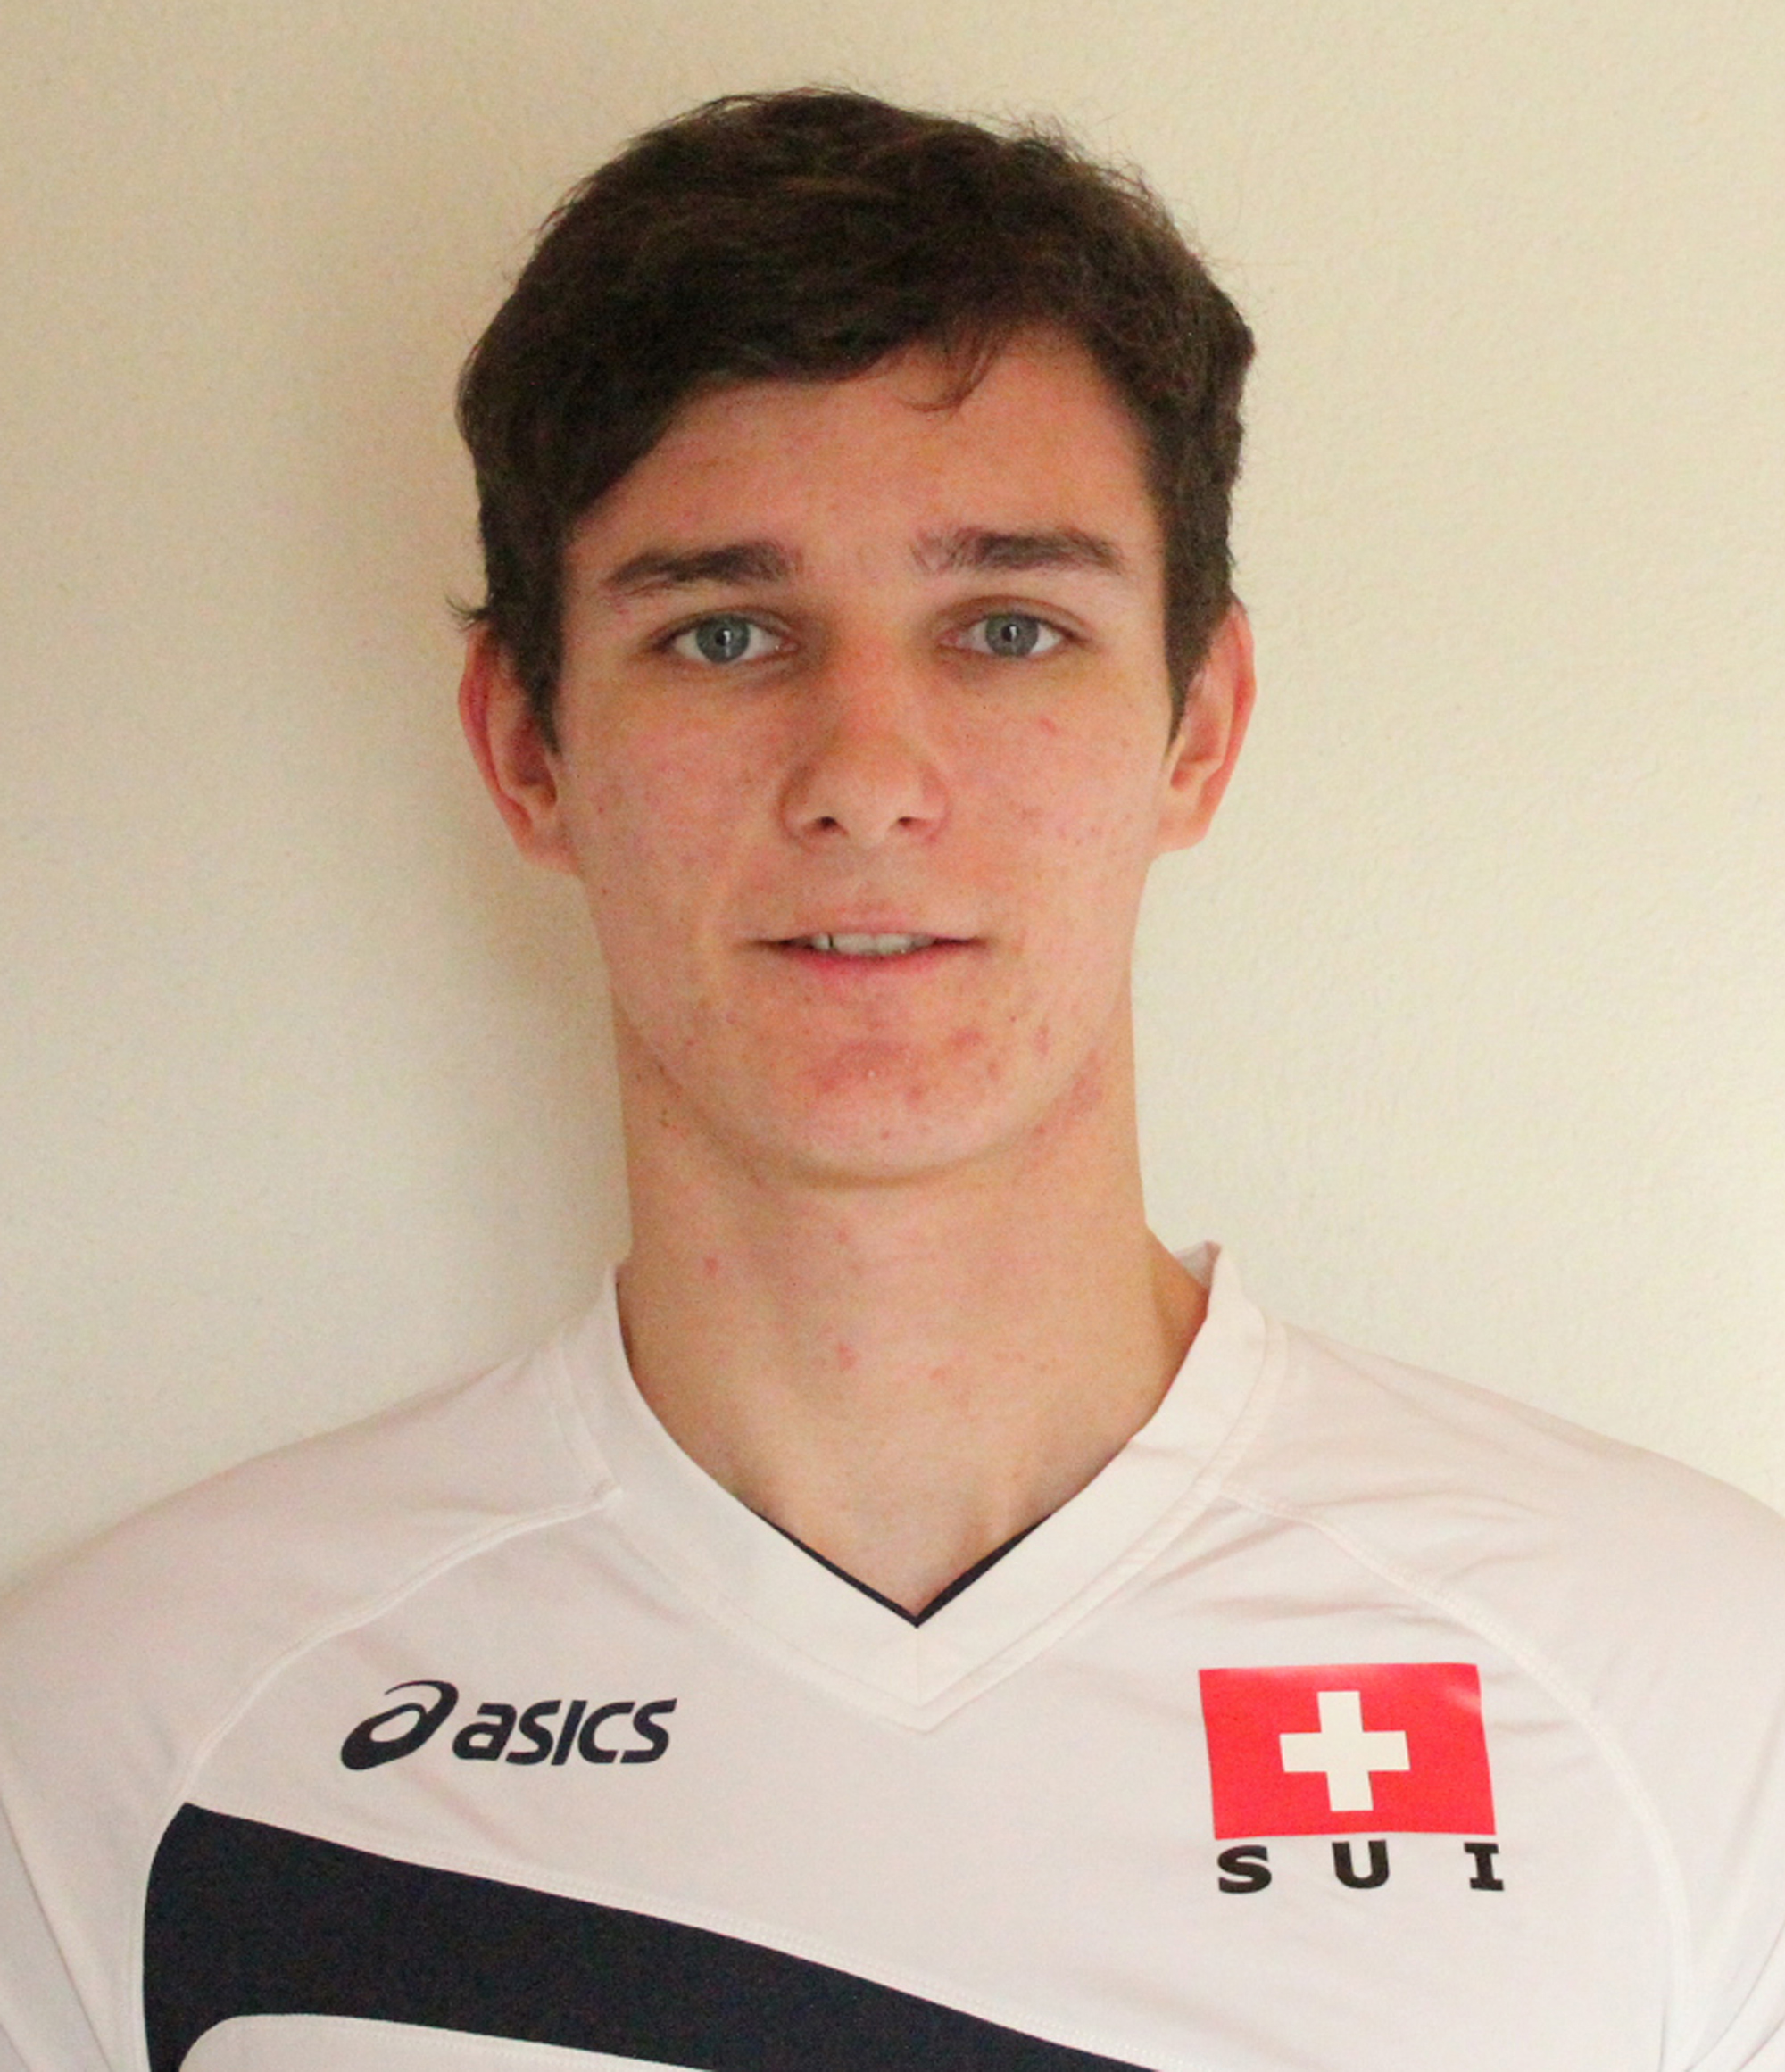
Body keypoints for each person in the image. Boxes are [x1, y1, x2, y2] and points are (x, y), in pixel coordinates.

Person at [3, 87, 1784, 2072]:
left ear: (1198, 729)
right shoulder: (126, 1742)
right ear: (525, 750)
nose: (864, 774)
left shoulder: (1695, 1697)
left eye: (1009, 628)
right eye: (724, 634)